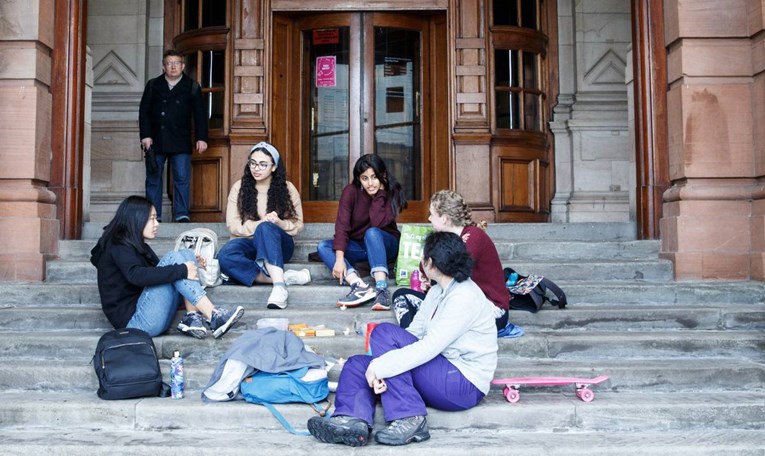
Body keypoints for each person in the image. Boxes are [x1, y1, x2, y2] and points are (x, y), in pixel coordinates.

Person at [307, 231, 498, 447]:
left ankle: (410, 418)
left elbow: (428, 348)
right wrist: (380, 368)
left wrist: (381, 366)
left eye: (423, 257)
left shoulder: (464, 296)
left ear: (431, 263)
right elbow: (413, 335)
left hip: (463, 384)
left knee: (384, 335)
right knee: (357, 365)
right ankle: (352, 421)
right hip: (440, 372)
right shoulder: (437, 292)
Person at [90, 196, 244, 339]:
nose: (157, 224)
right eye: (152, 219)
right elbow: (136, 275)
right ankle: (213, 314)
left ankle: (192, 317)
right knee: (174, 258)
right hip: (136, 323)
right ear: (136, 218)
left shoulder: (136, 245)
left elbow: (158, 274)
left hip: (149, 314)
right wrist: (183, 269)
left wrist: (191, 263)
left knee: (185, 253)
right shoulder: (117, 245)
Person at [392, 190, 512, 333]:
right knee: (401, 296)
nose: (429, 219)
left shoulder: (473, 236)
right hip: (456, 303)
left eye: (432, 214)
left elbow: (449, 271)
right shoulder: (447, 240)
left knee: (442, 310)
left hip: (490, 310)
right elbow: (429, 266)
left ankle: (421, 340)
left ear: (444, 218)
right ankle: (409, 337)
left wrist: (429, 273)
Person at [217, 142, 309, 309]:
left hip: (278, 245)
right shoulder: (239, 187)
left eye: (262, 164)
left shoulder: (288, 188)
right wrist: (260, 224)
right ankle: (281, 277)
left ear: (273, 167)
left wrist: (278, 223)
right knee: (224, 256)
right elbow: (233, 225)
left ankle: (279, 289)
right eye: (252, 163)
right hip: (248, 242)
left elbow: (298, 225)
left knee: (266, 229)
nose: (256, 168)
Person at [316, 154, 406, 311]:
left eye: (374, 177)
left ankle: (382, 289)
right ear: (359, 179)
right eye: (365, 178)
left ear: (383, 175)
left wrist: (380, 195)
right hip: (360, 247)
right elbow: (342, 225)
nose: (370, 183)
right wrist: (339, 258)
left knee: (372, 233)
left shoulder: (392, 192)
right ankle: (359, 285)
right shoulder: (350, 192)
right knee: (323, 246)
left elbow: (377, 223)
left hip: (385, 245)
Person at [139, 49, 208, 223]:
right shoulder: (153, 85)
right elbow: (144, 112)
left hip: (181, 139)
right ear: (163, 67)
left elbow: (200, 114)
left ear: (182, 66)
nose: (173, 67)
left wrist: (202, 137)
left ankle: (182, 213)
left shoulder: (191, 86)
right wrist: (146, 136)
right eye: (169, 63)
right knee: (153, 179)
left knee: (182, 178)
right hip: (156, 139)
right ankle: (154, 215)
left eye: (176, 63)